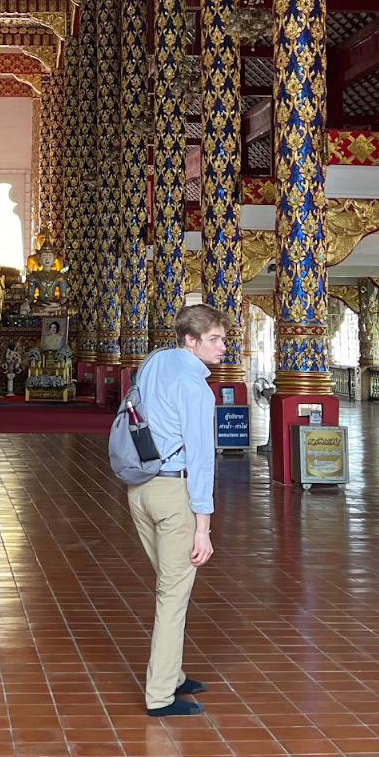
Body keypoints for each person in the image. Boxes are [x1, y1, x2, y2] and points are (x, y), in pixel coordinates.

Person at [127, 303, 227, 719]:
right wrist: (203, 526)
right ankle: (160, 695)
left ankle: (172, 670)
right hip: (175, 495)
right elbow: (202, 459)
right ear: (191, 340)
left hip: (141, 488)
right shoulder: (197, 389)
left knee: (171, 585)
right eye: (215, 340)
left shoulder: (153, 363)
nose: (224, 347)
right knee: (173, 595)